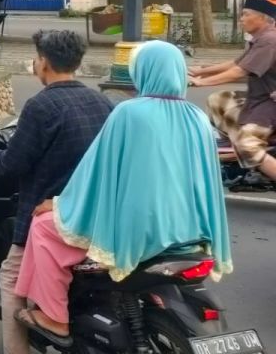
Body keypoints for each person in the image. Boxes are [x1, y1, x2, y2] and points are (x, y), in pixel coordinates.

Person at [13, 41, 232, 344]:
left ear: (142, 72)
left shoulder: (130, 113)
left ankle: (53, 316)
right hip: (190, 228)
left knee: (42, 227)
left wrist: (60, 205)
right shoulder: (197, 118)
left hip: (139, 231)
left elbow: (96, 175)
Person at [0, 30, 111, 354]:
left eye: (36, 57)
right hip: (98, 213)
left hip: (52, 214)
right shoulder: (101, 101)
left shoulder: (41, 106)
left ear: (42, 62)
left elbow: (11, 164)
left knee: (10, 275)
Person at [191, 0, 276, 181]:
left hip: (269, 105)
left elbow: (239, 71)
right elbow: (235, 63)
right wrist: (201, 71)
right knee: (218, 100)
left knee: (248, 146)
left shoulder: (269, 40)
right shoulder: (260, 38)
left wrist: (202, 82)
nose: (241, 19)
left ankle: (252, 148)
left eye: (245, 15)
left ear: (261, 18)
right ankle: (239, 144)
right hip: (257, 100)